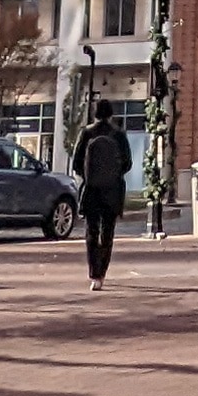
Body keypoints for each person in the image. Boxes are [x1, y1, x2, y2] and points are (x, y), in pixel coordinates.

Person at [76, 101, 132, 287]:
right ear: (111, 114)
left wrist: (88, 174)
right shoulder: (118, 135)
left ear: (95, 114)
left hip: (92, 189)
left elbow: (76, 162)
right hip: (112, 190)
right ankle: (102, 273)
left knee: (91, 231)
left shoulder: (86, 133)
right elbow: (127, 163)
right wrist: (114, 175)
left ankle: (94, 273)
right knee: (107, 232)